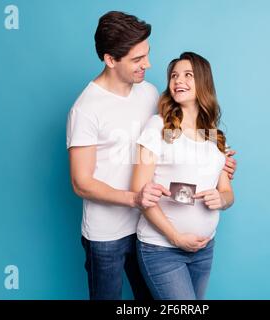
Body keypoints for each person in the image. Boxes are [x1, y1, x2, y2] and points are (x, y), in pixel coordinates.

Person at [66, 11, 237, 300]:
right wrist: (134, 198)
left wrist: (217, 159)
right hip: (108, 233)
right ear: (110, 60)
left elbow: (179, 133)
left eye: (147, 54)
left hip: (149, 226)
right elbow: (81, 183)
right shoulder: (85, 109)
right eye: (137, 59)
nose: (148, 64)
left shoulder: (147, 93)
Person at [131, 52, 235, 300]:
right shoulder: (159, 127)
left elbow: (228, 193)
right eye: (174, 76)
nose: (178, 81)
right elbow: (139, 190)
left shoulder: (213, 136)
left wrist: (222, 200)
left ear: (203, 82)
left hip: (204, 249)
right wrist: (176, 237)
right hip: (162, 248)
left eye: (188, 75)